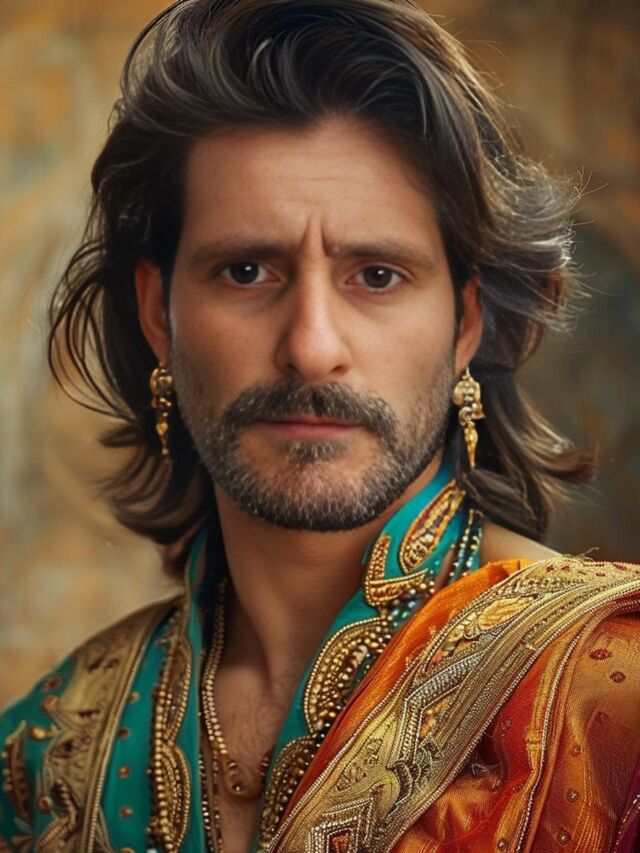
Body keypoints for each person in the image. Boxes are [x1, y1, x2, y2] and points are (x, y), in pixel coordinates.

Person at [1, 0, 639, 850]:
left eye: (376, 274)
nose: (310, 347)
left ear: (464, 324)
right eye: (246, 270)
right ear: (159, 314)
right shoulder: (43, 756)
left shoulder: (609, 699)